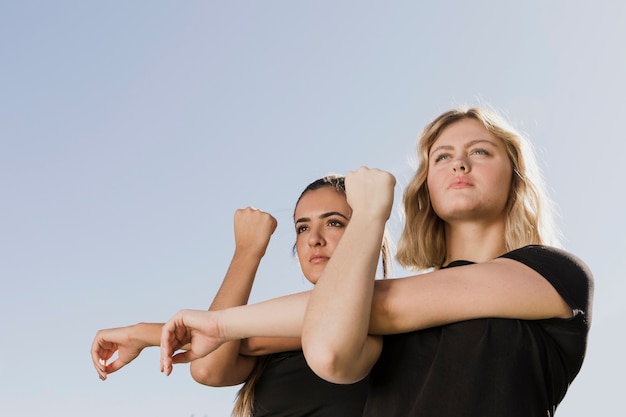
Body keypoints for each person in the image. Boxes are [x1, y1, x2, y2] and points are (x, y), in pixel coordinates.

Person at [159, 107, 593, 417]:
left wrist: (218, 324)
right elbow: (313, 336)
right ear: (425, 187)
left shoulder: (553, 275)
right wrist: (193, 328)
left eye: (481, 151)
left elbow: (365, 313)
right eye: (441, 156)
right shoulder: (381, 324)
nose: (459, 161)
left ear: (515, 176)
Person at [91, 175, 392, 417]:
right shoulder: (267, 339)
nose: (313, 239)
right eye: (302, 227)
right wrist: (247, 253)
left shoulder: (390, 313)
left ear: (364, 231)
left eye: (334, 222)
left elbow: (329, 325)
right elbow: (208, 367)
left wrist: (144, 333)